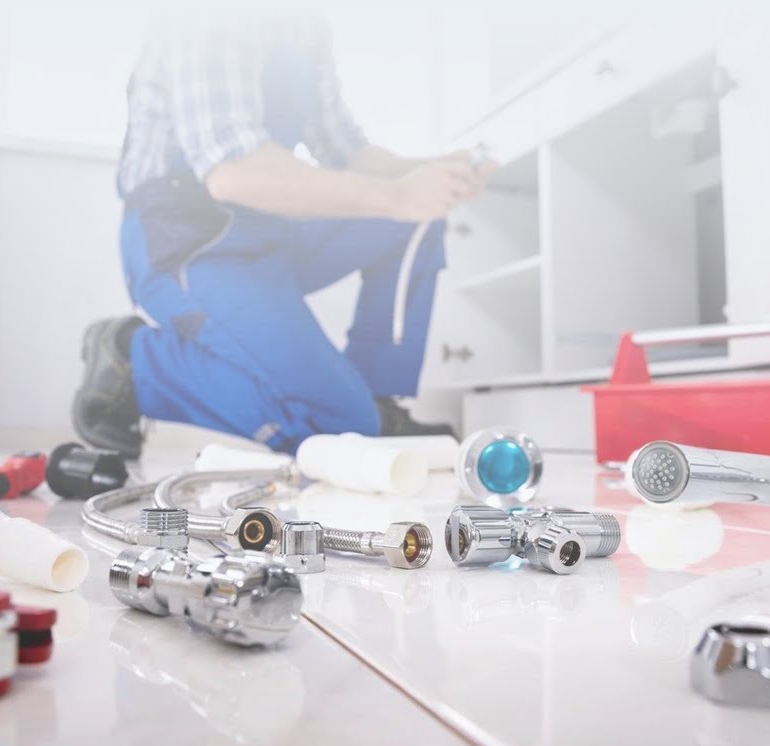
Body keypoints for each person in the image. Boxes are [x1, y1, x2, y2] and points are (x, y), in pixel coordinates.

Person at [72, 11, 494, 457]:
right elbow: (234, 173)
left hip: (267, 226)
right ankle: (134, 362)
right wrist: (399, 195)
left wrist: (436, 173)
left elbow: (347, 152)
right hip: (188, 241)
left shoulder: (309, 25)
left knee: (418, 218)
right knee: (337, 428)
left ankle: (376, 405)